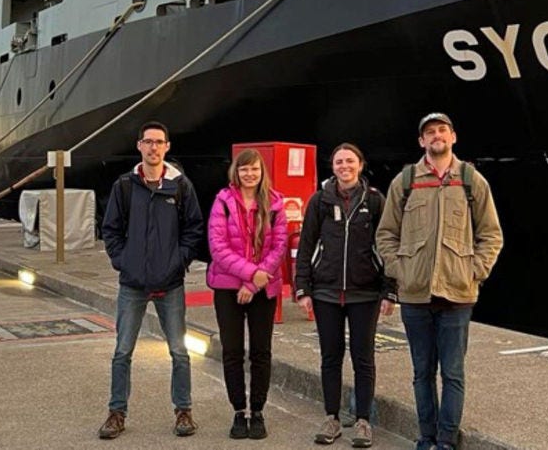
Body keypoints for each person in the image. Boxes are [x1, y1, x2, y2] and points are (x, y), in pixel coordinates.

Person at [376, 113, 503, 450]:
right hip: (415, 294)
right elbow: (386, 234)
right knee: (421, 373)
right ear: (421, 141)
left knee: (453, 374)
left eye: (441, 131)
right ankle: (426, 437)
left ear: (453, 136)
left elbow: (491, 235)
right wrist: (400, 270)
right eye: (429, 132)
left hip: (458, 293)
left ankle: (445, 440)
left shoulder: (471, 180)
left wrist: (475, 270)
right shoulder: (405, 181)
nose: (436, 136)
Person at [99, 121, 204, 439]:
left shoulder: (180, 185)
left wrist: (178, 262)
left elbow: (194, 228)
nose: (154, 148)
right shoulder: (125, 186)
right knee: (122, 351)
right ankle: (117, 413)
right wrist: (123, 262)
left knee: (180, 352)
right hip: (132, 283)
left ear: (167, 147)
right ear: (139, 146)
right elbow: (110, 230)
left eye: (159, 142)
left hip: (170, 282)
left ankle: (183, 411)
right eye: (148, 142)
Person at [295, 143, 398, 448]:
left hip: (364, 292)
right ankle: (332, 418)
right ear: (333, 167)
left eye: (349, 161)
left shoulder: (376, 201)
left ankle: (364, 421)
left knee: (363, 358)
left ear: (361, 165)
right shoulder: (319, 201)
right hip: (326, 292)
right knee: (330, 357)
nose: (344, 166)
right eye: (339, 161)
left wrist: (390, 290)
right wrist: (303, 288)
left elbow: (388, 247)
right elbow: (306, 245)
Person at [207, 148, 289, 440]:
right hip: (228, 287)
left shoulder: (276, 203)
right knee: (231, 351)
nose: (249, 174)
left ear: (261, 171)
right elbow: (217, 247)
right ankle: (238, 410)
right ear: (236, 172)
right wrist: (248, 274)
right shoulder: (223, 201)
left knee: (260, 352)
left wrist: (254, 283)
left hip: (262, 287)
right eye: (244, 169)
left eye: (254, 169)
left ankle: (258, 410)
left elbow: (279, 247)